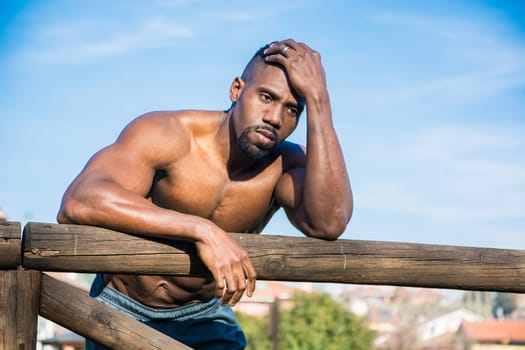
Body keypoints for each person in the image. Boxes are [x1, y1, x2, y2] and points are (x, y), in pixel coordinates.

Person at [57, 39, 353, 349]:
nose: (275, 118)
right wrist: (203, 230)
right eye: (266, 97)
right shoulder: (169, 133)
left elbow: (329, 223)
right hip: (120, 309)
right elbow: (80, 200)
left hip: (205, 318)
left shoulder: (285, 165)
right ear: (236, 90)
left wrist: (320, 101)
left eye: (293, 110)